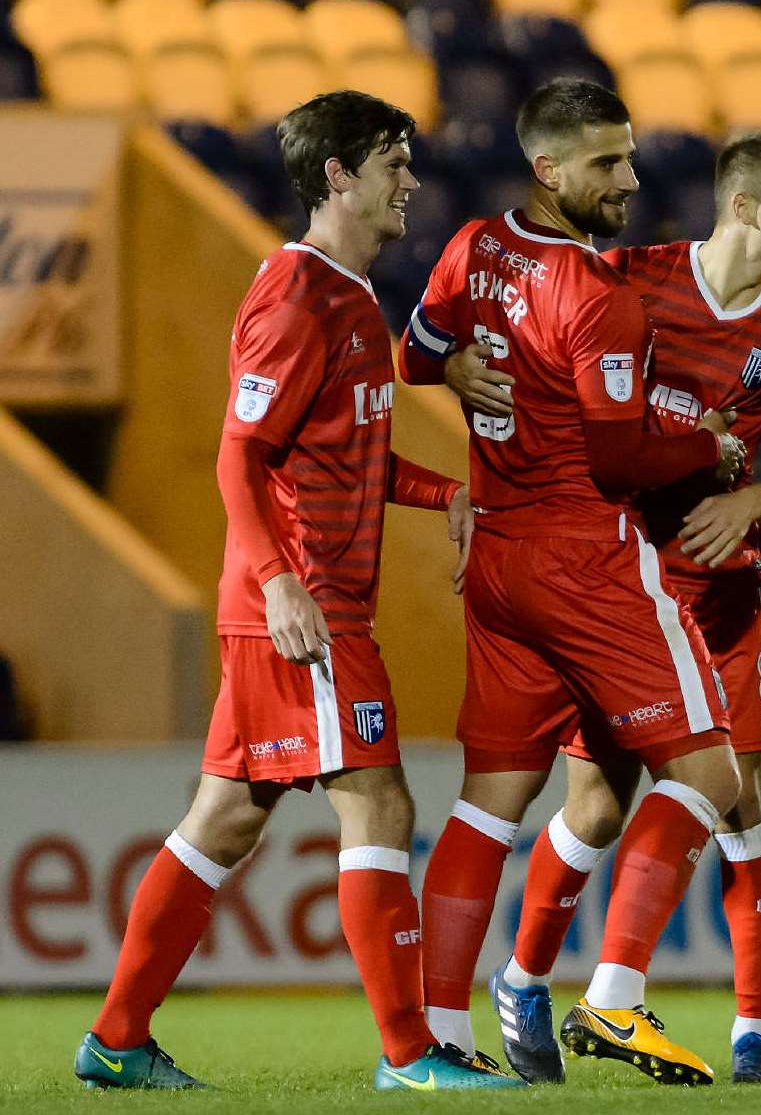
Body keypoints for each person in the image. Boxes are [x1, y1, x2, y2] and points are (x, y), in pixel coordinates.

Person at [72, 91, 520, 1092]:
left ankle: (115, 1040)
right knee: (380, 802)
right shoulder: (294, 296)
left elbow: (344, 459)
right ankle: (409, 1055)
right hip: (304, 604)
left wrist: (446, 490)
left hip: (304, 600)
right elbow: (239, 459)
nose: (411, 180)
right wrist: (279, 584)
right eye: (393, 162)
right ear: (338, 175)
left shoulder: (352, 299)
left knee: (225, 818)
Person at [433, 130, 761, 1086]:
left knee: (743, 797)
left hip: (720, 584)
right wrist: (448, 369)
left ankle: (753, 1031)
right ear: (743, 207)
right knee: (598, 804)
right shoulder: (629, 279)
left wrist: (743, 502)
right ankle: (530, 981)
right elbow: (525, 359)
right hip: (616, 576)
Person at [397, 78, 747, 1087]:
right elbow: (619, 456)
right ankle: (613, 1000)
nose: (629, 179)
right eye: (605, 162)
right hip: (581, 557)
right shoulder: (595, 297)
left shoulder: (473, 245)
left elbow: (416, 353)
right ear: (547, 168)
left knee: (485, 808)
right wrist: (709, 443)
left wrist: (459, 364)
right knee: (712, 775)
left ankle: (440, 1040)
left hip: (497, 557)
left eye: (629, 156)